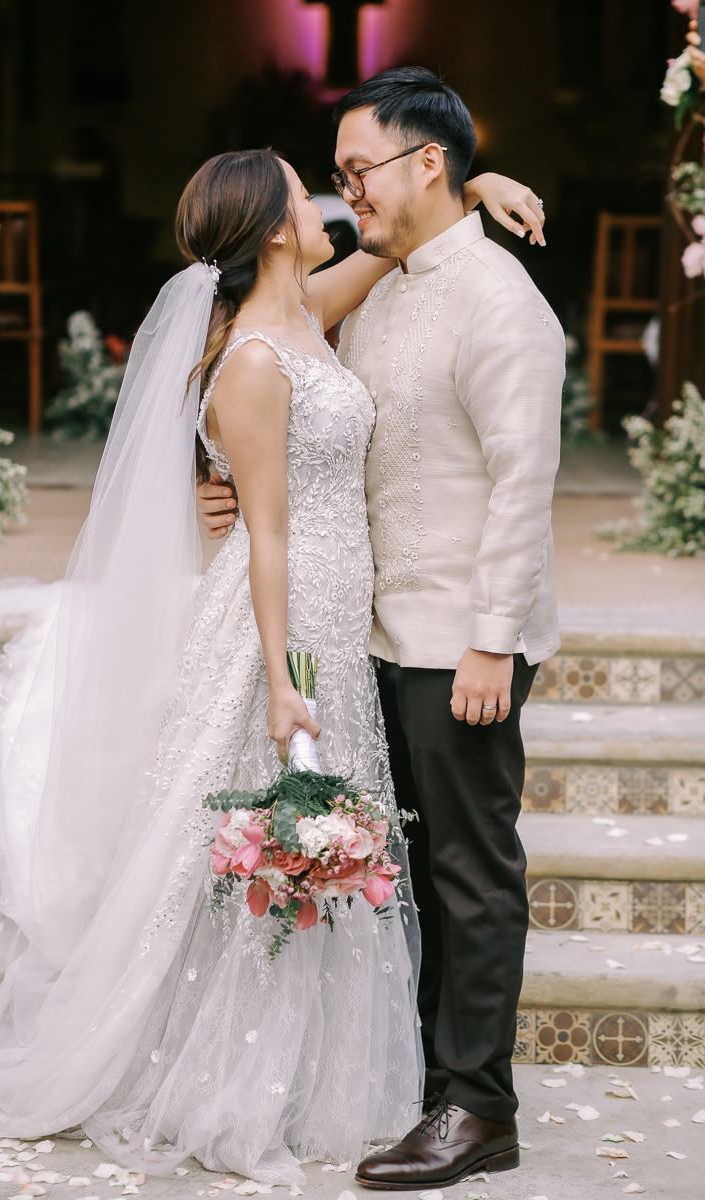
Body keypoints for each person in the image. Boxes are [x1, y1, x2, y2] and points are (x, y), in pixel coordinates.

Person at [0, 146, 535, 1182]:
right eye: (305, 191)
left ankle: (302, 1067)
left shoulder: (304, 312)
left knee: (313, 838)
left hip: (338, 616)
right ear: (277, 229)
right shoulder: (252, 357)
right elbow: (267, 532)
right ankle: (227, 1071)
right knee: (257, 837)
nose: (328, 202)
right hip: (279, 627)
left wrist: (469, 185)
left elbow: (391, 249)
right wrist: (283, 677)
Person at [199, 68, 565, 1190]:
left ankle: (478, 1110)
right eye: (336, 174)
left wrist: (493, 639)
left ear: (425, 163)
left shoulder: (499, 301)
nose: (344, 190)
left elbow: (524, 482)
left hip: (459, 640)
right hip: (373, 638)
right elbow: (269, 379)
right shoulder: (381, 281)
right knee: (407, 874)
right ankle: (429, 1083)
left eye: (358, 169)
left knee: (470, 872)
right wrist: (224, 486)